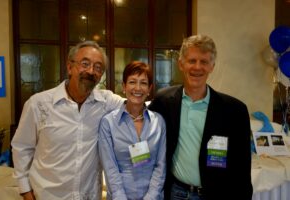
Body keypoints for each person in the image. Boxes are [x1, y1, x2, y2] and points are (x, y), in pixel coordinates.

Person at [11, 41, 123, 200]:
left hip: (89, 195)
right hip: (47, 195)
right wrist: (25, 192)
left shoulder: (106, 103)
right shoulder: (39, 104)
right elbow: (22, 148)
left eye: (98, 68)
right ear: (70, 67)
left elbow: (137, 106)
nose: (91, 71)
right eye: (85, 64)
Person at [149, 35, 253, 200]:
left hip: (216, 195)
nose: (197, 67)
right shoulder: (163, 101)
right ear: (181, 64)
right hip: (176, 192)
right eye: (192, 61)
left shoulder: (235, 110)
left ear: (212, 66)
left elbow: (242, 167)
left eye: (204, 62)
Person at [99, 61, 166, 200]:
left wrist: (151, 197)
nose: (138, 88)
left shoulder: (158, 122)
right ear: (124, 86)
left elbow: (161, 165)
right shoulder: (108, 123)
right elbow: (110, 168)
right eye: (132, 82)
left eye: (143, 83)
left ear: (149, 89)